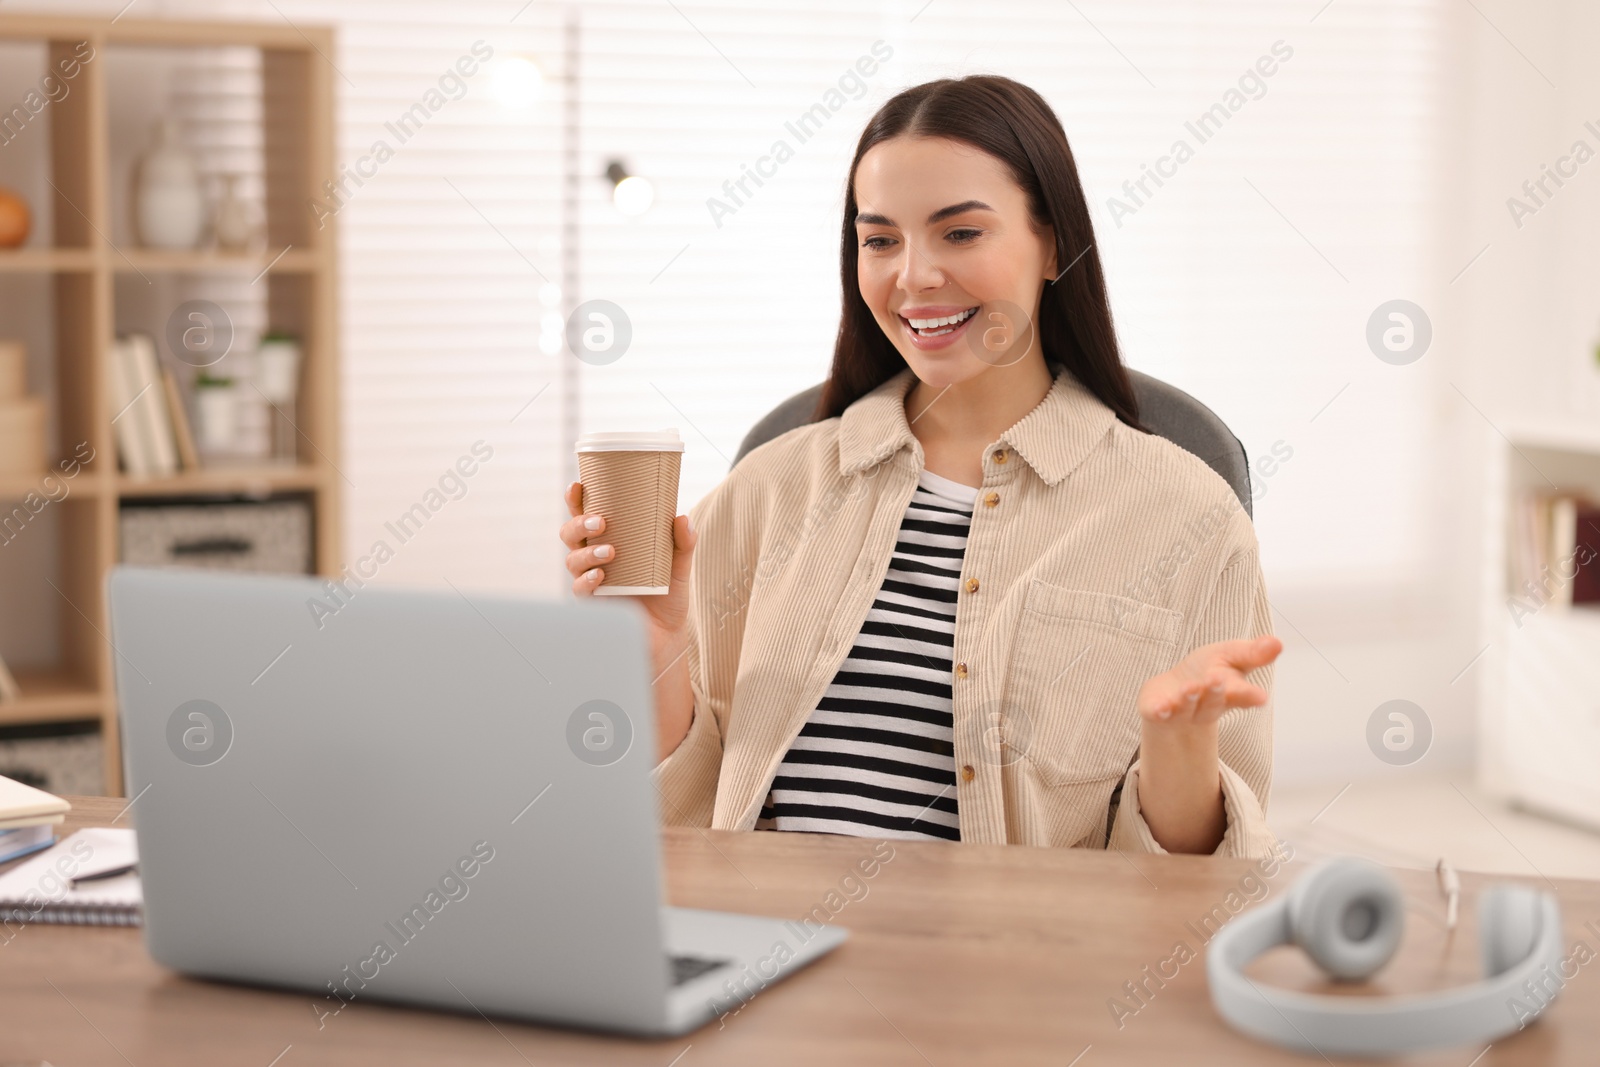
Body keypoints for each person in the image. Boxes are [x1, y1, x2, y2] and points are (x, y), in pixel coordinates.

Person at [559, 75, 1282, 857]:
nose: (913, 277)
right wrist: (659, 652)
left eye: (961, 233)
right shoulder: (763, 492)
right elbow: (684, 837)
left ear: (1053, 243)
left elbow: (1196, 893)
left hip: (1013, 970)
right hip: (771, 955)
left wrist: (1177, 751)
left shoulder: (1191, 519)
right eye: (880, 239)